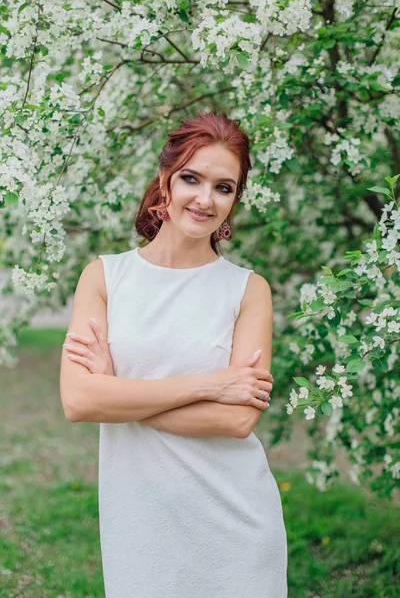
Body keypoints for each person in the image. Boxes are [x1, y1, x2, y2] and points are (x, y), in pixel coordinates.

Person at [60, 110, 288, 597]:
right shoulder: (104, 278)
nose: (205, 199)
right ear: (166, 179)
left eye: (224, 187)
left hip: (237, 525)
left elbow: (236, 421)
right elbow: (79, 402)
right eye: (191, 178)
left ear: (235, 200)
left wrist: (118, 394)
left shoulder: (248, 291)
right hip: (141, 528)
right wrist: (210, 385)